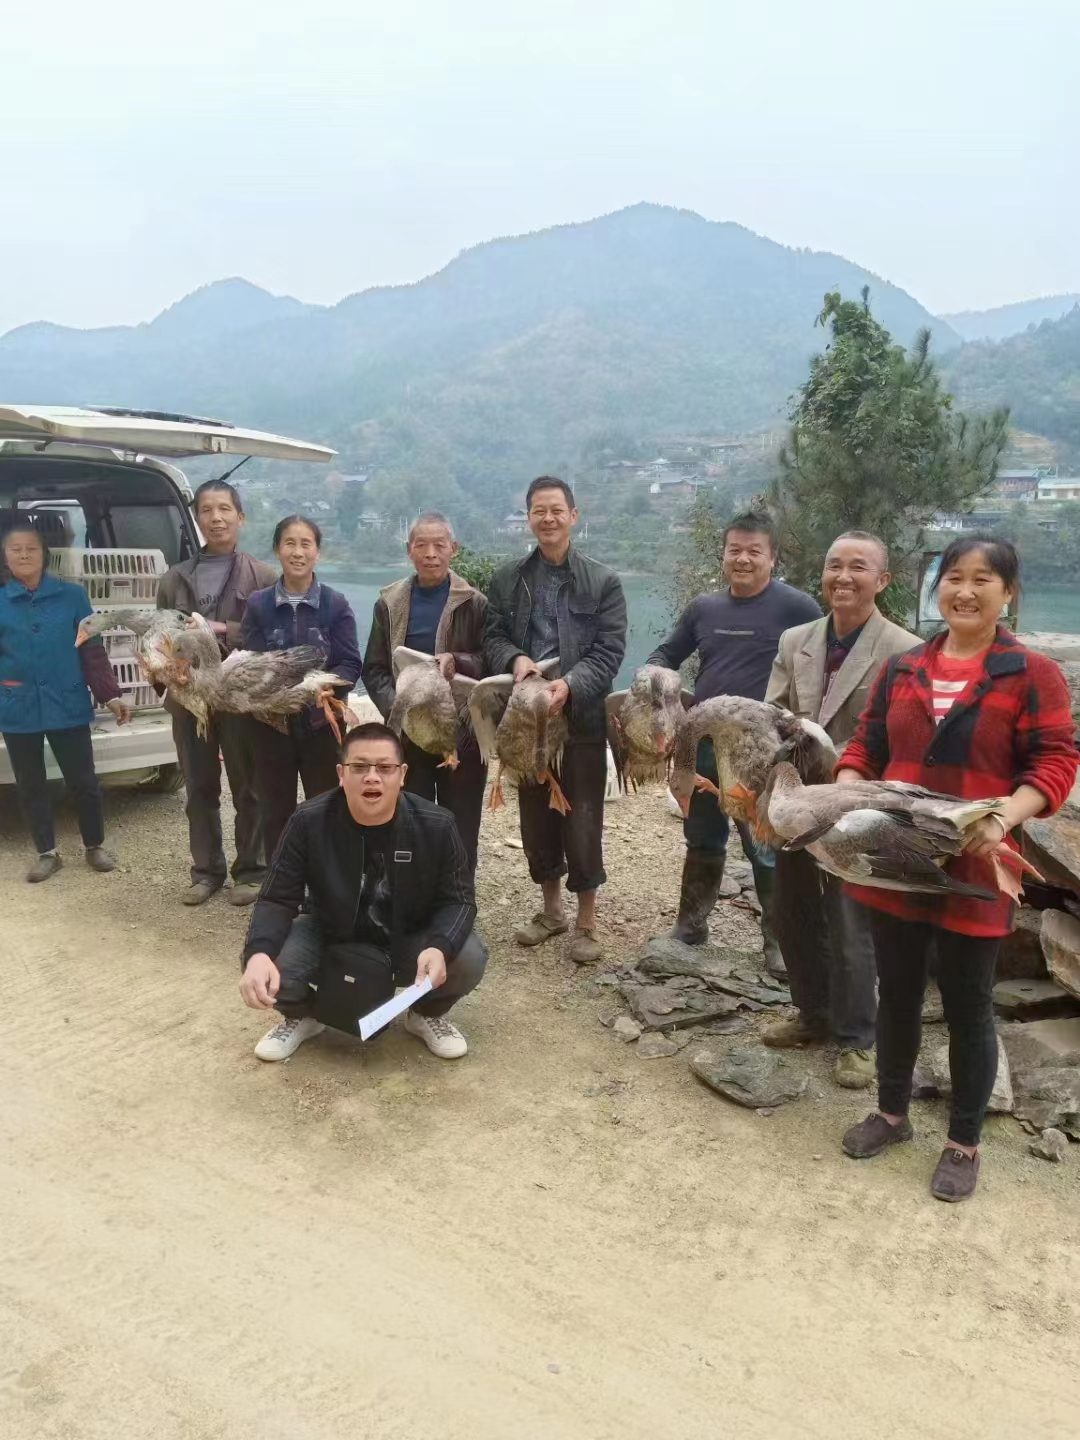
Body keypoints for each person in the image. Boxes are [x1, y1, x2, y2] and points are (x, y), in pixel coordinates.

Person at [837, 536, 1077, 1201]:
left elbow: (1054, 763)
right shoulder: (904, 668)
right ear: (936, 588)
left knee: (970, 1004)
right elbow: (866, 746)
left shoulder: (1031, 674)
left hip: (976, 863)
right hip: (897, 859)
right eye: (953, 578)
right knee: (899, 993)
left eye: (983, 579)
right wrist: (847, 793)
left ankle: (963, 1143)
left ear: (1008, 593)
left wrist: (1003, 816)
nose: (965, 592)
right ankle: (891, 1114)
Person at [764, 531, 919, 1088]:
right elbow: (772, 718)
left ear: (883, 580)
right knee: (793, 910)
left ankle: (858, 1038)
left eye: (859, 568)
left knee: (851, 921)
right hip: (797, 802)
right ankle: (812, 1014)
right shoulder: (796, 639)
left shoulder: (903, 649)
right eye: (834, 566)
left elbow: (903, 741)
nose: (843, 578)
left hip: (858, 809)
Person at [239, 722, 487, 1061]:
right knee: (266, 954)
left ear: (402, 774)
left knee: (468, 955)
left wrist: (439, 947)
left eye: (385, 768)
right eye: (360, 767)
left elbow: (459, 900)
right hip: (330, 932)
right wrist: (258, 954)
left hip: (407, 935)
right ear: (342, 773)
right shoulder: (308, 821)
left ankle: (426, 1015)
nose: (372, 777)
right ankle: (303, 1016)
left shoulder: (437, 824)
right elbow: (277, 897)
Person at [647, 511, 821, 974]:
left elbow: (825, 660)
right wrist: (659, 680)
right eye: (734, 550)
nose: (743, 559)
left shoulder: (797, 607)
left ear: (773, 558)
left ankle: (779, 940)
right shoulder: (704, 608)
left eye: (754, 551)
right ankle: (691, 924)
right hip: (703, 740)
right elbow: (666, 654)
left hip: (762, 750)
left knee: (765, 842)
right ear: (722, 555)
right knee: (701, 834)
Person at [484, 476, 626, 964]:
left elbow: (610, 650)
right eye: (539, 511)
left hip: (581, 717)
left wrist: (572, 684)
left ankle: (586, 920)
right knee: (535, 817)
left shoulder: (602, 581)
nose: (548, 518)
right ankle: (551, 911)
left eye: (556, 510)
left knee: (583, 818)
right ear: (528, 518)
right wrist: (516, 660)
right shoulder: (508, 579)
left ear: (573, 516)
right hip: (526, 718)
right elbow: (493, 637)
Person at [157, 480, 277, 906]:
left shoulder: (263, 576)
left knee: (251, 787)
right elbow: (161, 635)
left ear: (240, 518)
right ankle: (206, 871)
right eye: (207, 510)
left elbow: (273, 637)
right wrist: (167, 670)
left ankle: (252, 870)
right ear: (198, 518)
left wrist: (225, 630)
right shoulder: (174, 577)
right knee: (200, 787)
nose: (216, 518)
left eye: (225, 509)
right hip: (189, 699)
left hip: (240, 698)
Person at [0, 522, 131, 881]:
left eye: (31, 548)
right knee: (30, 785)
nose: (24, 555)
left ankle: (95, 845)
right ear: (5, 557)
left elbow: (91, 651)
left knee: (83, 781)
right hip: (17, 706)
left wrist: (111, 696)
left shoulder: (72, 597)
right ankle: (47, 852)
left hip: (66, 702)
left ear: (44, 554)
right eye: (16, 549)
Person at [363, 512, 488, 873]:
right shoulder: (389, 603)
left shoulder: (475, 603)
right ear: (409, 550)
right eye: (422, 545)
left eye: (439, 545)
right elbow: (374, 669)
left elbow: (489, 661)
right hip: (408, 733)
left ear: (454, 549)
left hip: (462, 732)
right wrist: (400, 712)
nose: (431, 553)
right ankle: (412, 900)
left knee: (460, 821)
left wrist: (457, 661)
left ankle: (458, 905)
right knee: (409, 817)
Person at [242, 516, 363, 861]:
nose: (298, 552)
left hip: (321, 726)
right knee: (275, 810)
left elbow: (351, 664)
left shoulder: (335, 604)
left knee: (324, 809)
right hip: (269, 727)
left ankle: (325, 887)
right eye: (289, 543)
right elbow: (250, 664)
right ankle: (283, 888)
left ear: (317, 553)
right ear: (277, 550)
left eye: (305, 544)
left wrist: (323, 687)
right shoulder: (258, 605)